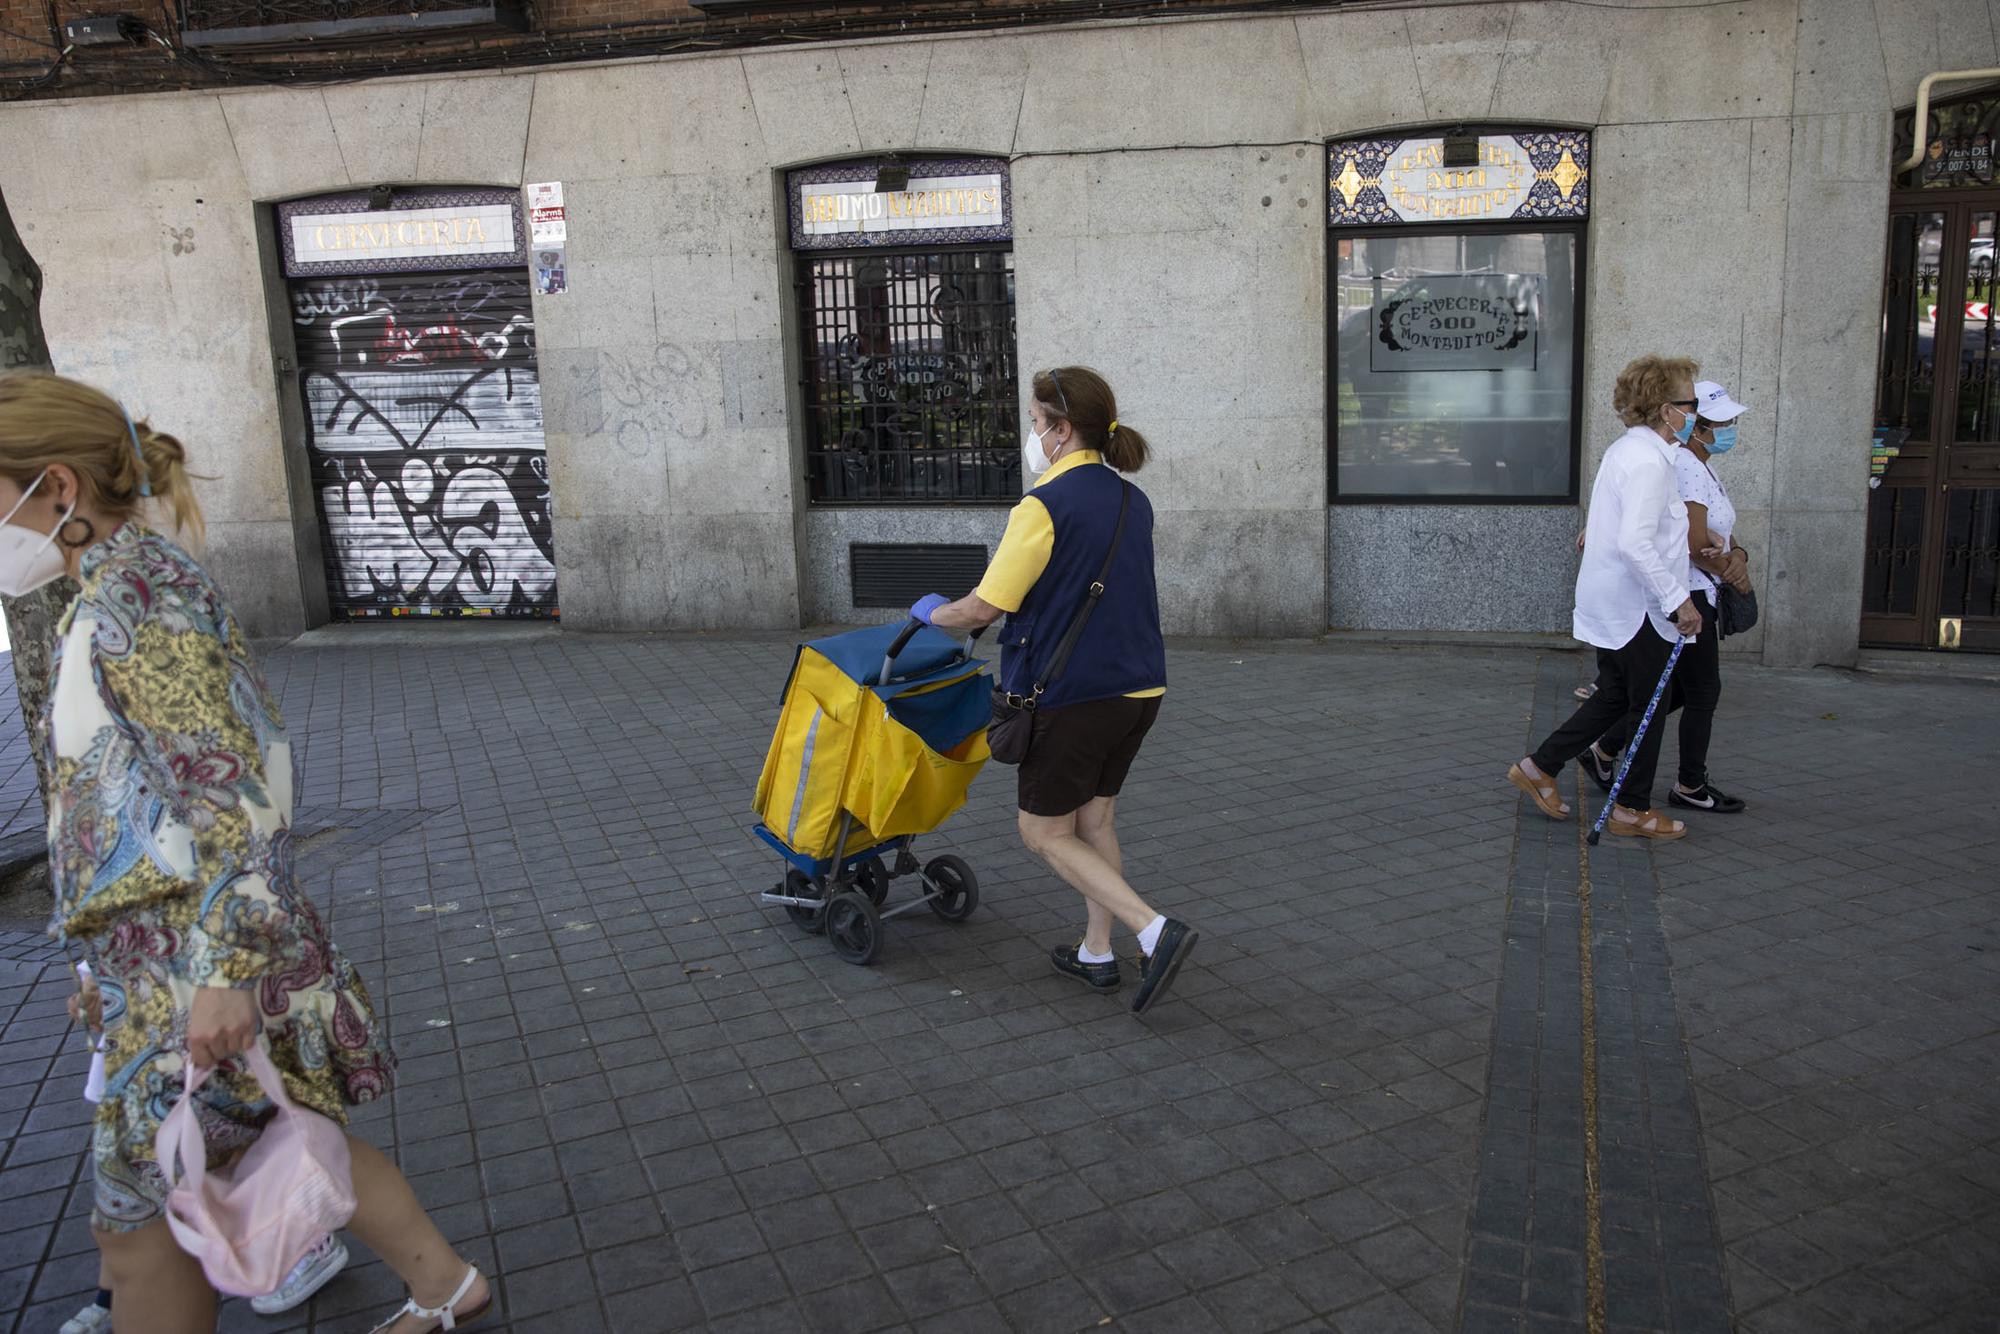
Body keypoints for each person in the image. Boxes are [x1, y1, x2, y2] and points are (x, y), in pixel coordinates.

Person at [0, 372, 491, 1334]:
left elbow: (233, 794)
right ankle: (445, 1286)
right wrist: (104, 965)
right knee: (233, 1168)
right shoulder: (110, 588)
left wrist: (222, 973)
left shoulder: (140, 598)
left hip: (193, 969)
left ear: (55, 487)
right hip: (165, 970)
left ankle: (444, 1287)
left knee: (141, 1233)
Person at [909, 367, 1196, 1014]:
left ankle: (1154, 931)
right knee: (1094, 820)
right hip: (1139, 688)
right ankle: (1097, 951)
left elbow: (984, 608)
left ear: (1062, 430)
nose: (1033, 435)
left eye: (1036, 423)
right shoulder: (1133, 500)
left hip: (1071, 695)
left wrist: (930, 612)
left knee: (1042, 832)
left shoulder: (1043, 506)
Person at [1507, 355, 1706, 840]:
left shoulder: (1630, 450)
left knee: (1618, 694)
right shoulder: (1648, 462)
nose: (1696, 413)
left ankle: (1540, 766)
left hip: (1619, 602)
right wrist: (1679, 600)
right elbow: (1636, 543)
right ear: (1665, 410)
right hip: (1637, 608)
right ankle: (1631, 809)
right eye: (1690, 403)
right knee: (1649, 705)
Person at [1582, 379, 1752, 813]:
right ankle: (1678, 785)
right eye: (1718, 422)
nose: (1728, 430)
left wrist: (1738, 554)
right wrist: (1730, 573)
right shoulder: (1677, 463)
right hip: (1685, 591)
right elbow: (1685, 542)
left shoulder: (1694, 462)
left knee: (1671, 691)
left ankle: (1602, 754)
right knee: (1694, 691)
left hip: (1690, 590)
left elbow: (1715, 529)